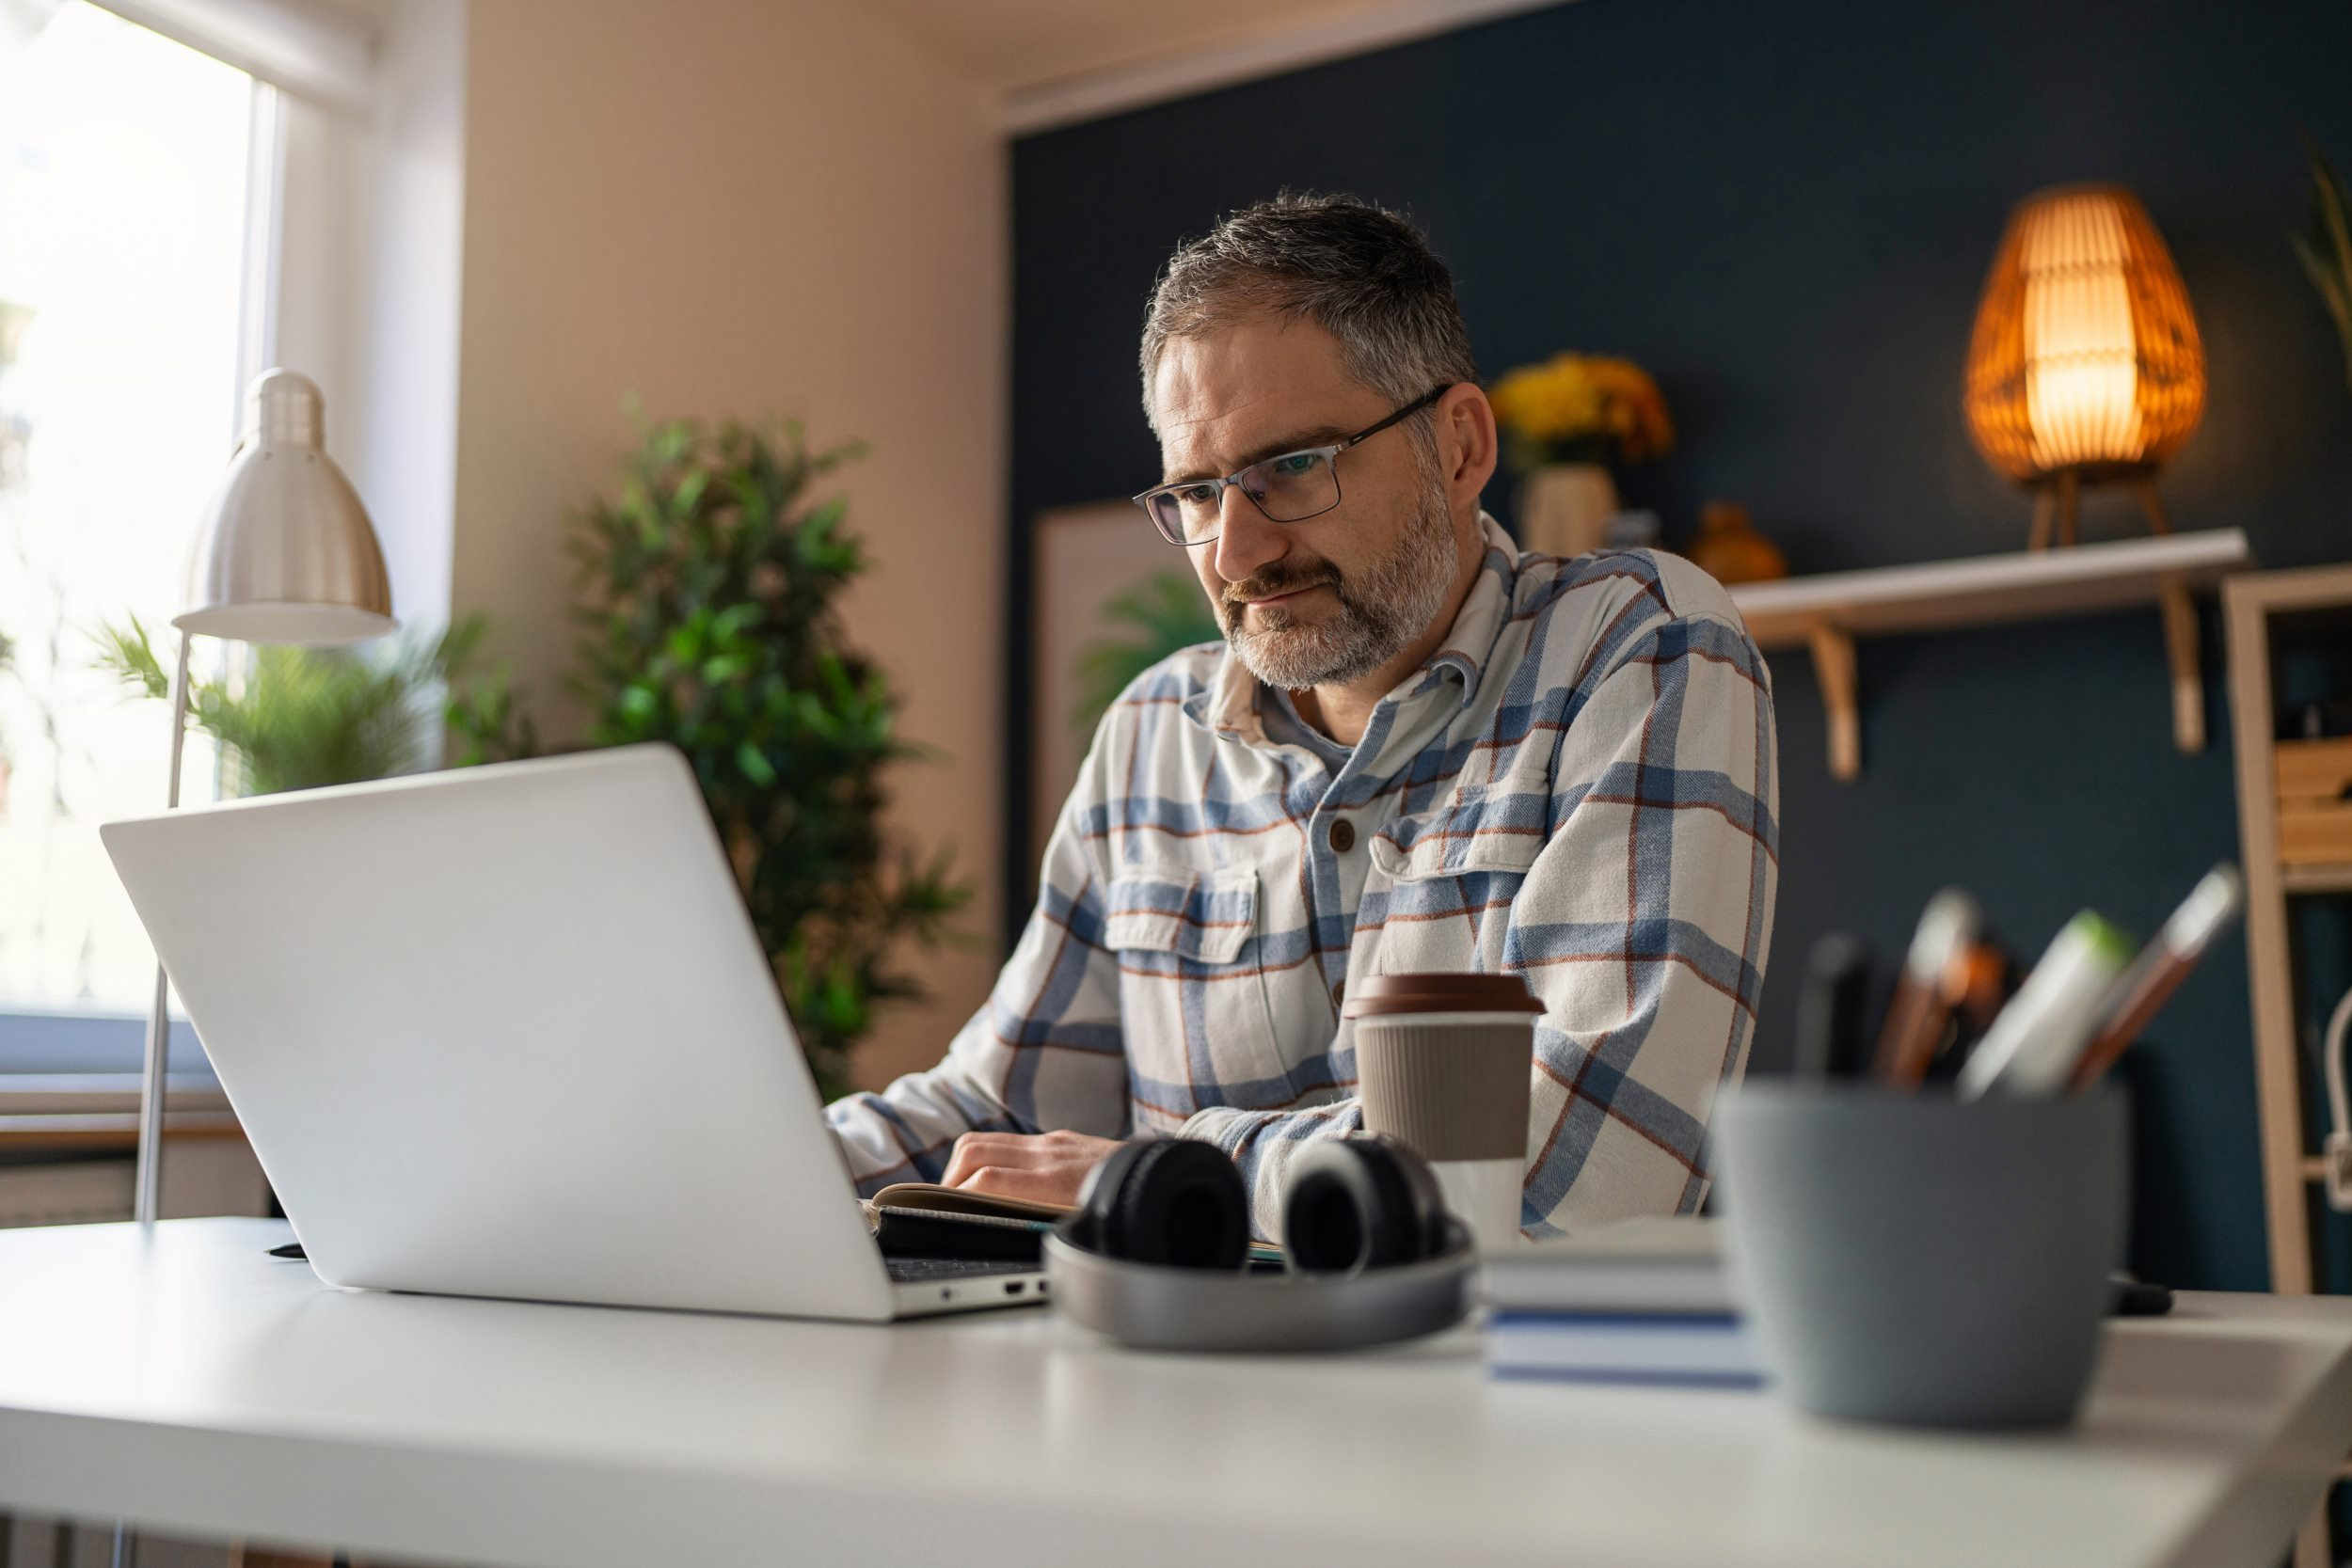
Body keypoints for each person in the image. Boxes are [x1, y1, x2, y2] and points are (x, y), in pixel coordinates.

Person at [827, 193, 1778, 1239]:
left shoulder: (1635, 642)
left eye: (1291, 467)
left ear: (1458, 447)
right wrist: (747, 1170)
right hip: (1171, 1396)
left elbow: (1578, 1179)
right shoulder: (1152, 732)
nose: (1235, 553)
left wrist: (1164, 1175)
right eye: (1194, 493)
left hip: (1499, 1396)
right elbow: (995, 1109)